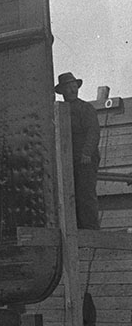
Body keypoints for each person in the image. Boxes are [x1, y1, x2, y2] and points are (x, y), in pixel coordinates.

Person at [55, 72, 101, 229]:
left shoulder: (86, 108)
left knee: (86, 195)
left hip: (85, 159)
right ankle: (77, 232)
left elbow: (93, 132)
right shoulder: (59, 109)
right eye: (69, 87)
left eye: (74, 86)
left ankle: (91, 231)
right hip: (68, 159)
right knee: (69, 196)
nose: (73, 90)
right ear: (63, 91)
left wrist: (87, 153)